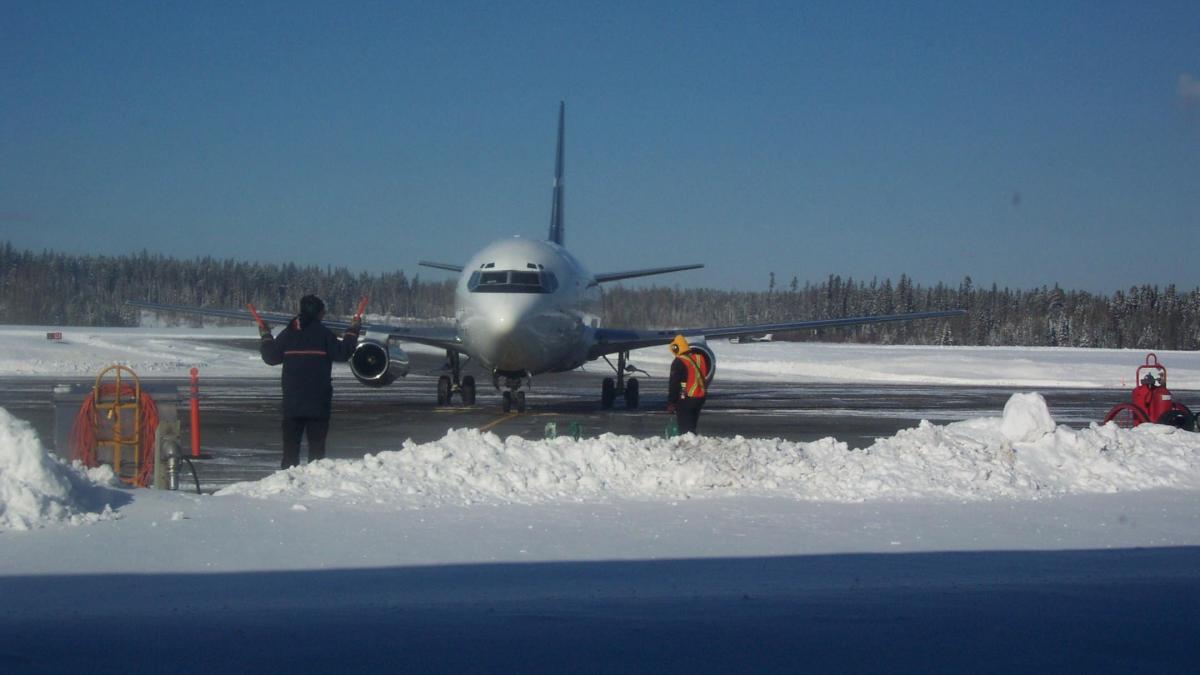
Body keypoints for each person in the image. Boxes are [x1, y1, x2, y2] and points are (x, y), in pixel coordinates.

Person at [259, 295, 360, 469]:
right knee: (317, 454)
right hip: (318, 403)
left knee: (290, 453)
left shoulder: (288, 334)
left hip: (292, 403)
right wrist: (352, 331)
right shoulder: (324, 334)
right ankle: (313, 486)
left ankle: (287, 484)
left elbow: (270, 357)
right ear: (320, 314)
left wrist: (266, 336)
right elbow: (342, 353)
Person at [666, 334, 709, 434]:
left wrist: (672, 402)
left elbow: (676, 383)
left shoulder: (679, 361)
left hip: (687, 398)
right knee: (692, 427)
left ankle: (687, 446)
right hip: (700, 397)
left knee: (685, 429)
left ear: (675, 348)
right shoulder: (700, 358)